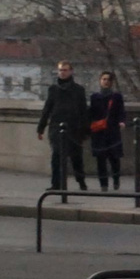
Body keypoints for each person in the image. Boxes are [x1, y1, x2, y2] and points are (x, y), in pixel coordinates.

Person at [37, 60, 90, 191]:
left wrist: (85, 130)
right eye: (60, 70)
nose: (62, 73)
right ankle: (56, 183)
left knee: (76, 157)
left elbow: (83, 111)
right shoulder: (53, 89)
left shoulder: (78, 90)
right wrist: (41, 127)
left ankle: (81, 181)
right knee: (56, 156)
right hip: (56, 127)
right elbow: (47, 109)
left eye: (65, 70)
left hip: (74, 127)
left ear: (71, 71)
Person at [88, 71, 128, 191]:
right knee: (100, 159)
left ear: (111, 82)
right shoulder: (94, 97)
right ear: (100, 81)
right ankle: (103, 184)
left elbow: (121, 111)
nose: (106, 82)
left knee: (114, 158)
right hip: (99, 132)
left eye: (108, 80)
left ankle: (116, 180)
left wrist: (122, 121)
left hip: (112, 131)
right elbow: (91, 113)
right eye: (103, 79)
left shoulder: (116, 97)